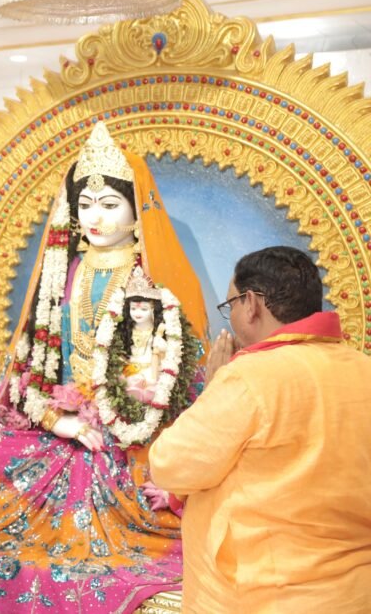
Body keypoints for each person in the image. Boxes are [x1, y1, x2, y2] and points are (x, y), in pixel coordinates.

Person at [0, 121, 208, 613]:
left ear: (138, 213)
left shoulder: (151, 278)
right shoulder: (63, 270)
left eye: (109, 204)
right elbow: (32, 363)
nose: (95, 216)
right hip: (62, 417)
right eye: (85, 204)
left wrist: (121, 414)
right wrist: (56, 419)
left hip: (131, 426)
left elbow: (176, 373)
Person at [150, 246, 371, 612]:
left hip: (265, 596)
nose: (231, 319)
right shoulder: (363, 368)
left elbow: (171, 465)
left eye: (231, 305)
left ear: (251, 303)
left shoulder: (248, 377)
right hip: (355, 594)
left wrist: (212, 389)